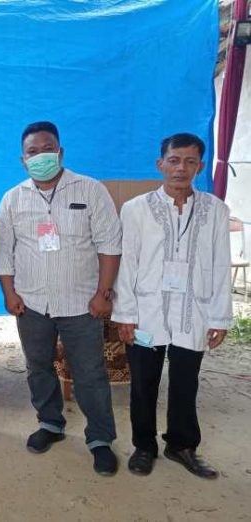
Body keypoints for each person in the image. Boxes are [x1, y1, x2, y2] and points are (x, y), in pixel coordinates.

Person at [0, 121, 122, 476]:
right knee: (38, 367)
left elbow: (110, 244)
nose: (41, 157)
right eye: (32, 152)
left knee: (90, 373)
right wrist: (9, 293)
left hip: (82, 303)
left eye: (47, 149)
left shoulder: (90, 189)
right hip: (32, 303)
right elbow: (3, 251)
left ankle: (100, 438)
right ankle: (50, 423)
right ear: (23, 160)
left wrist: (103, 293)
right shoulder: (13, 198)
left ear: (61, 152)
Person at [112, 133, 232, 479]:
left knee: (185, 382)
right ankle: (144, 446)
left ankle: (181, 445)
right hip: (146, 313)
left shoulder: (215, 210)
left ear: (201, 167)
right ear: (160, 164)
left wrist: (220, 317)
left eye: (190, 161)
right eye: (174, 160)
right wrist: (126, 315)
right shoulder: (136, 210)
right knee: (143, 383)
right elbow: (127, 264)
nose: (181, 168)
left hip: (193, 312)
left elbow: (221, 264)